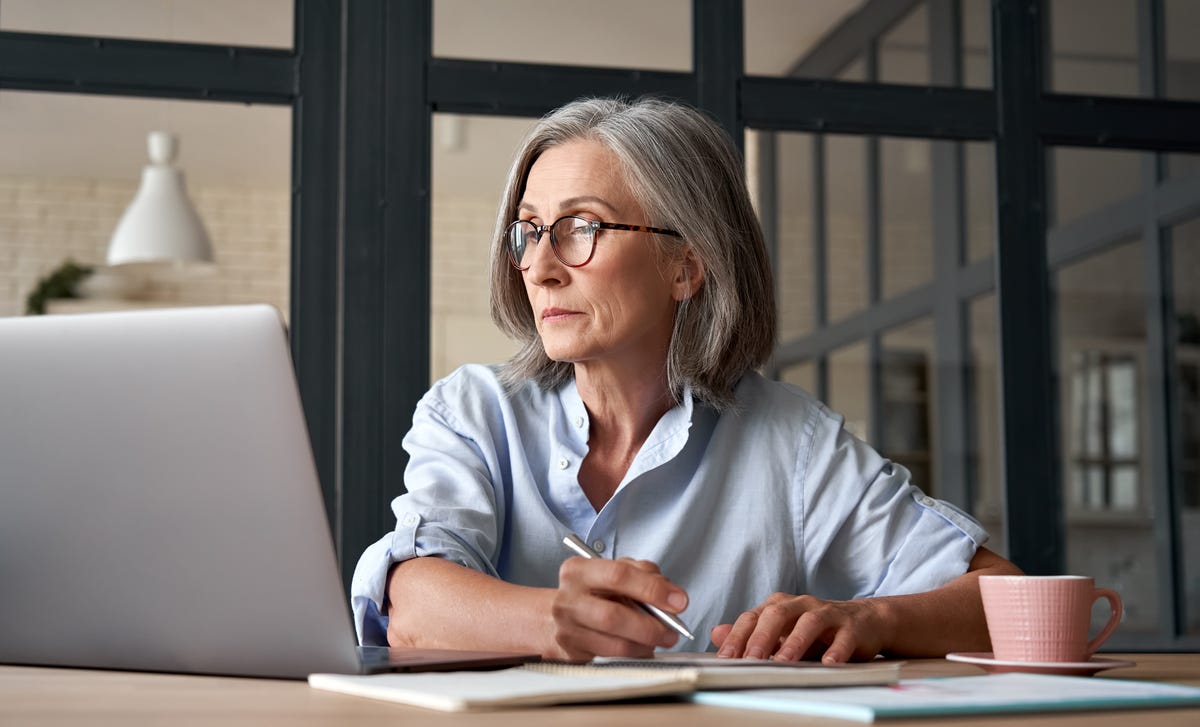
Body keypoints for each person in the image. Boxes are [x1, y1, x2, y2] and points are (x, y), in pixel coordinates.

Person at [351, 96, 1021, 663]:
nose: (541, 266)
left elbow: (1012, 601)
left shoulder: (793, 442)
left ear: (686, 266)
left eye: (580, 227)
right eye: (528, 231)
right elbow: (408, 603)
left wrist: (872, 620)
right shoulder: (473, 411)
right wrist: (553, 619)